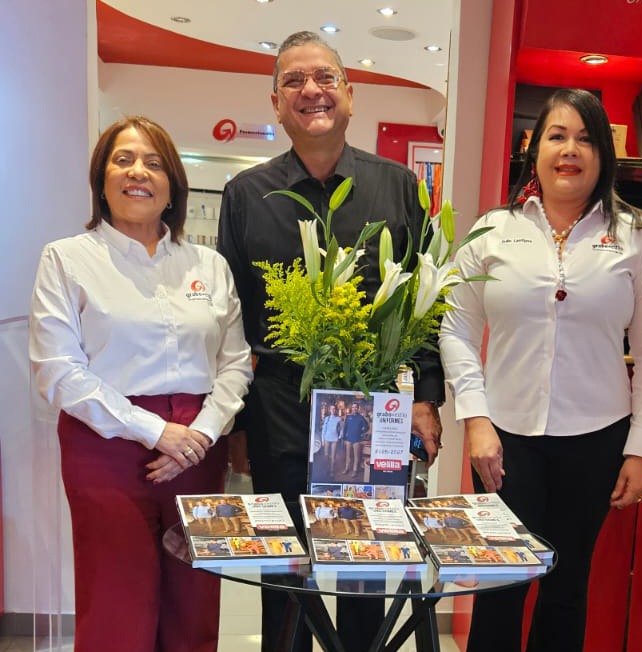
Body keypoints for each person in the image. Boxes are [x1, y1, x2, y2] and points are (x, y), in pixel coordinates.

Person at [216, 30, 445, 652]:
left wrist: (425, 397)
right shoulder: (247, 195)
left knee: (366, 572)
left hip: (374, 411)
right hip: (279, 409)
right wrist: (238, 425)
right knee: (286, 577)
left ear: (350, 93)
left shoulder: (398, 187)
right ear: (275, 102)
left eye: (324, 78)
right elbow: (232, 325)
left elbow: (424, 302)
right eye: (293, 81)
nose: (310, 91)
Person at [439, 88, 642, 652]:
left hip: (596, 438)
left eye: (586, 139)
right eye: (557, 136)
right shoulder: (493, 230)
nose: (571, 150)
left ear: (603, 156)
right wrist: (475, 418)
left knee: (566, 588)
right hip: (504, 438)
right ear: (535, 149)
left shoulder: (638, 237)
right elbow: (456, 328)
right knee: (499, 584)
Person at [29, 115, 253, 652]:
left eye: (154, 163)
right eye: (123, 160)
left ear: (173, 185)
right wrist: (156, 432)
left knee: (195, 605)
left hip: (199, 448)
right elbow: (57, 369)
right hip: (104, 447)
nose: (138, 172)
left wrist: (200, 434)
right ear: (101, 179)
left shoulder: (210, 265)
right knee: (117, 606)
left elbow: (236, 362)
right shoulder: (67, 259)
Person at [341, 402, 370, 474]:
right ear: (352, 408)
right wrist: (344, 438)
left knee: (356, 456)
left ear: (358, 408)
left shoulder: (360, 417)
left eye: (355, 407)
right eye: (353, 407)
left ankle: (355, 470)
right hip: (348, 439)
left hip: (356, 440)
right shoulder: (348, 417)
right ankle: (346, 468)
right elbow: (345, 428)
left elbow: (367, 427)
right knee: (348, 455)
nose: (354, 408)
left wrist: (361, 432)